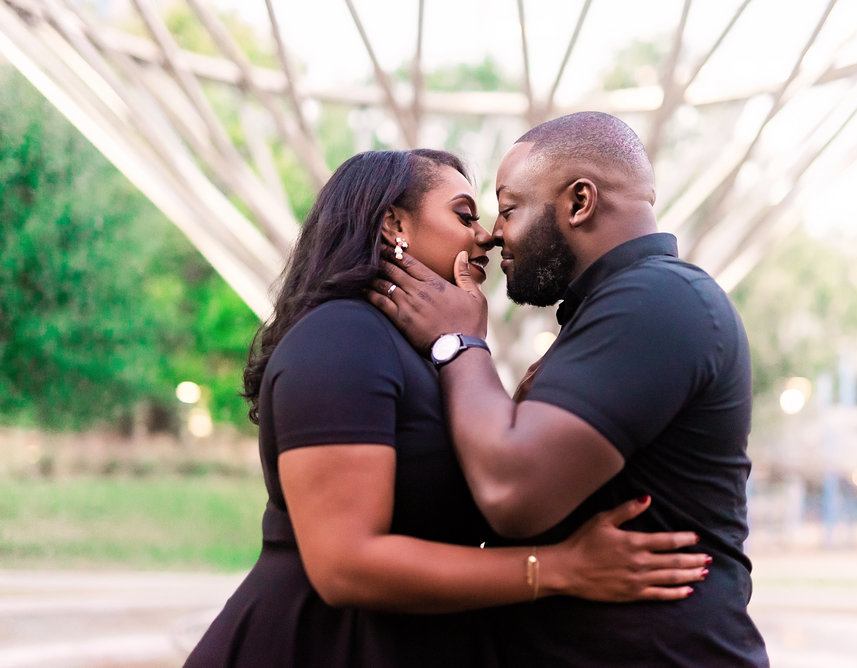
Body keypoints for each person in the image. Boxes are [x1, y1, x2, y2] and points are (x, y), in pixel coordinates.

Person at [184, 148, 712, 668]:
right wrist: (560, 568)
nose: (486, 235)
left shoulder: (427, 356)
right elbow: (344, 564)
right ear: (393, 223)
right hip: (315, 646)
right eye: (465, 215)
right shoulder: (341, 336)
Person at [370, 113, 770, 667]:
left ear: (580, 202)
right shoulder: (619, 308)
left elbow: (513, 492)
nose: (492, 232)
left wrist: (457, 342)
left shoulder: (658, 299)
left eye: (508, 209)